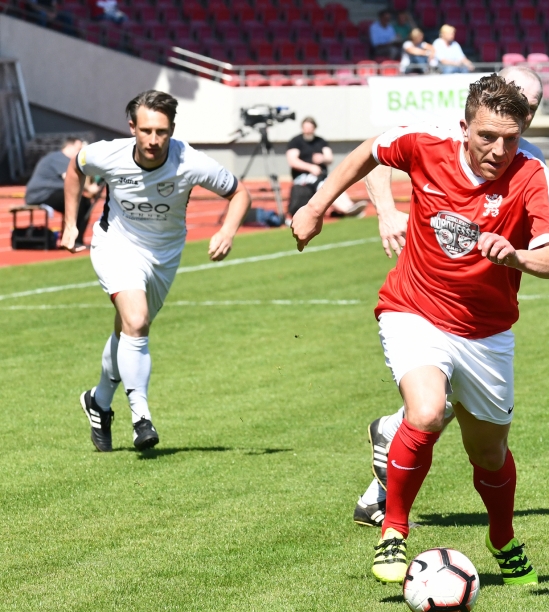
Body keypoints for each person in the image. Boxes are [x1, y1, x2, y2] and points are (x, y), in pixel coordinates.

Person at [291, 74, 549, 584]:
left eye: (510, 139)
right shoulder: (429, 142)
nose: (498, 149)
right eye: (487, 136)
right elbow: (369, 152)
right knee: (424, 413)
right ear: (465, 126)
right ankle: (393, 531)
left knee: (488, 454)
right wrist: (316, 206)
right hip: (414, 309)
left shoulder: (532, 172)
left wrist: (518, 255)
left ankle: (502, 537)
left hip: (486, 332)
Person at [353, 66, 549, 528]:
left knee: (448, 413)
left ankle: (388, 442)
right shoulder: (454, 129)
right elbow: (375, 157)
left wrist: (531, 233)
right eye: (518, 105)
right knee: (429, 409)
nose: (521, 121)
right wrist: (387, 211)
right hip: (420, 296)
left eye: (529, 112)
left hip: (481, 318)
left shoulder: (524, 160)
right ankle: (388, 509)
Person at [65, 90, 251, 452]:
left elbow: (240, 193)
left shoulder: (190, 162)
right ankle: (141, 417)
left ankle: (99, 401)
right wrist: (70, 223)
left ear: (172, 130)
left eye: (162, 132)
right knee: (136, 320)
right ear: (132, 127)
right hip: (115, 244)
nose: (154, 140)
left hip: (164, 256)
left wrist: (227, 232)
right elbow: (75, 167)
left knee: (128, 332)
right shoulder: (108, 153)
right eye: (146, 130)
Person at [24, 137, 101, 253]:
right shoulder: (60, 158)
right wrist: (90, 188)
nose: (81, 152)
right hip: (41, 194)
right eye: (79, 149)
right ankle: (72, 240)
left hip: (48, 192)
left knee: (83, 202)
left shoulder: (58, 157)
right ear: (69, 147)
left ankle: (74, 239)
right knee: (78, 202)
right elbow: (71, 178)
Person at [286, 117, 366, 220]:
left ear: (314, 128)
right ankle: (345, 209)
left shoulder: (320, 141)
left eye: (310, 127)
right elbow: (292, 161)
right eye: (305, 127)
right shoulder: (295, 141)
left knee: (334, 183)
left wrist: (322, 159)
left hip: (321, 175)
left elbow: (329, 158)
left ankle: (350, 206)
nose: (307, 130)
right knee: (323, 186)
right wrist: (310, 167)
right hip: (302, 176)